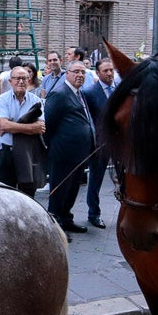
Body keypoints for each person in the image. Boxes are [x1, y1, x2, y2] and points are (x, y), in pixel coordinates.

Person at [43, 61, 95, 235]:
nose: (80, 75)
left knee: (72, 189)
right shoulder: (59, 94)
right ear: (67, 74)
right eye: (76, 72)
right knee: (60, 190)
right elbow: (48, 124)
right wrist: (55, 146)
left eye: (83, 72)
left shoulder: (79, 94)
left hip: (79, 155)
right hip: (63, 153)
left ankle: (66, 219)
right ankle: (56, 226)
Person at [0, 66, 44, 196]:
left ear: (29, 80)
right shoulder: (2, 99)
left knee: (27, 193)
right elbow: (4, 125)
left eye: (24, 78)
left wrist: (13, 126)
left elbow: (40, 128)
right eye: (17, 78)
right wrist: (30, 128)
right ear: (10, 81)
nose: (21, 81)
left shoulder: (36, 100)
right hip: (6, 152)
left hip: (29, 152)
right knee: (5, 192)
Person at [81, 58, 119, 229]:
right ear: (98, 73)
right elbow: (88, 120)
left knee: (124, 179)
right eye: (106, 71)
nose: (110, 73)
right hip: (100, 145)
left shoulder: (119, 90)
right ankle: (93, 214)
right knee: (96, 179)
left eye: (111, 70)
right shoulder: (89, 93)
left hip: (120, 143)